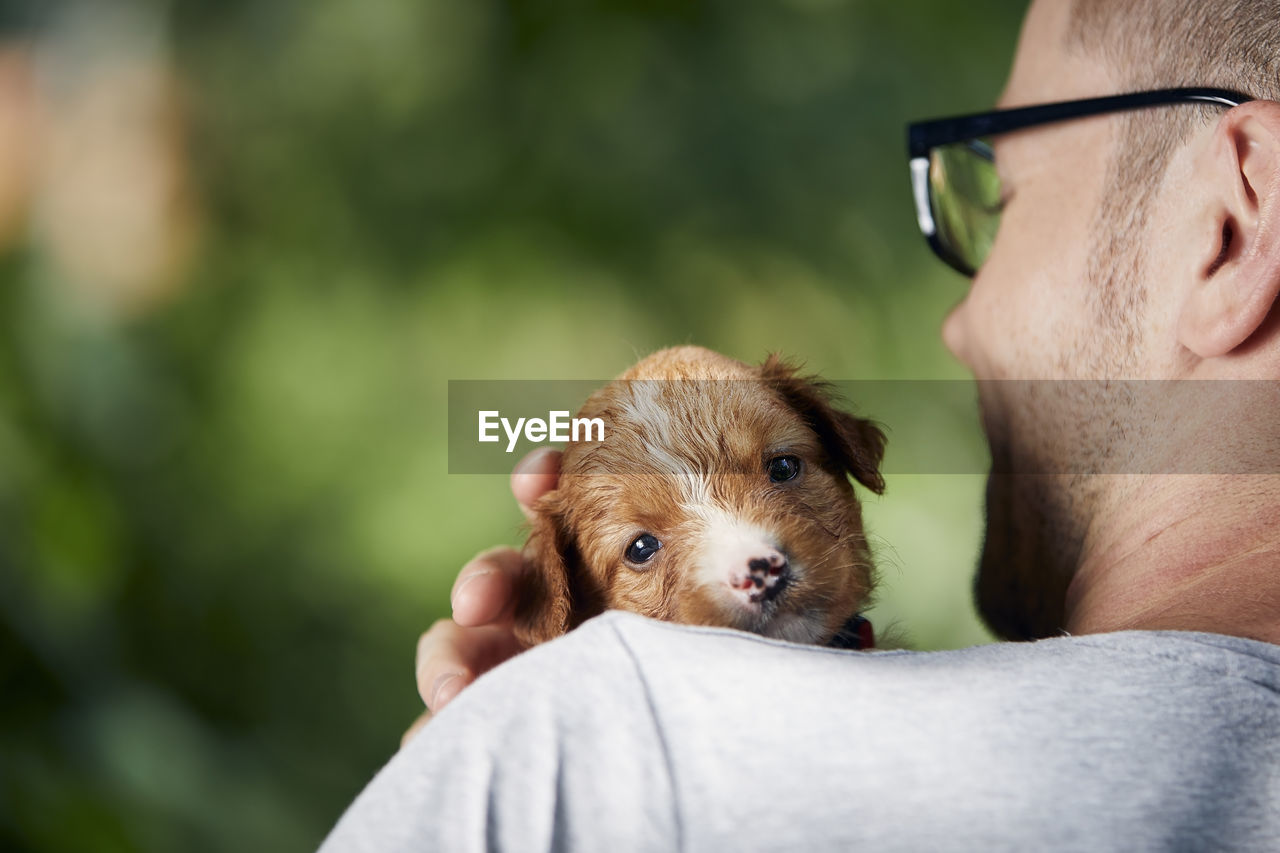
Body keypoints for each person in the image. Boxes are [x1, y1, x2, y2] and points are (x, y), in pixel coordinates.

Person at [321, 1, 1280, 849]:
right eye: (647, 542)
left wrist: (523, 756)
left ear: (1234, 222)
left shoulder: (598, 743)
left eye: (1002, 196)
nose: (957, 321)